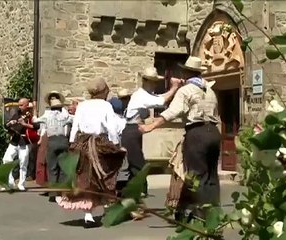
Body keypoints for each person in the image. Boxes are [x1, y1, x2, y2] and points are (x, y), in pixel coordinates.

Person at [138, 56, 221, 220]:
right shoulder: (210, 90)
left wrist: (151, 126)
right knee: (211, 174)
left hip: (196, 133)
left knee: (195, 174)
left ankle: (199, 213)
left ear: (186, 72)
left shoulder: (186, 90)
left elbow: (172, 111)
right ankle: (212, 211)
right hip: (213, 132)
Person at [56, 77, 126, 228]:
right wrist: (116, 145)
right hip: (99, 144)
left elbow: (75, 126)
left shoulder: (82, 106)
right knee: (105, 176)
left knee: (85, 179)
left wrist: (72, 144)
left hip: (82, 144)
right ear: (103, 91)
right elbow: (112, 128)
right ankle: (107, 209)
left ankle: (88, 215)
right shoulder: (106, 106)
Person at [122, 67, 182, 196]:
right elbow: (162, 101)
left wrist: (175, 88)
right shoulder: (140, 95)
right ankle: (138, 190)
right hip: (131, 130)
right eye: (153, 82)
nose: (155, 84)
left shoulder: (145, 95)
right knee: (138, 164)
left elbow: (160, 97)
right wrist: (174, 87)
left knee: (136, 163)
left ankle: (133, 190)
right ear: (146, 81)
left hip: (134, 131)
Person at [33, 91, 73, 202]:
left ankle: (54, 194)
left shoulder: (47, 115)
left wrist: (34, 113)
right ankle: (63, 193)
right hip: (63, 141)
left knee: (52, 168)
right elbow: (74, 119)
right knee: (63, 168)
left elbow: (35, 121)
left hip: (52, 141)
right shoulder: (65, 116)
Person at [2, 98, 41, 191]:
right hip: (15, 140)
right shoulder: (16, 113)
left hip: (24, 141)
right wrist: (9, 124)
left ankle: (21, 184)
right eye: (18, 105)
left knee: (23, 163)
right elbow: (7, 125)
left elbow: (36, 127)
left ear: (26, 105)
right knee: (6, 160)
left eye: (21, 105)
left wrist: (24, 124)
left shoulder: (31, 115)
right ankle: (10, 182)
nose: (19, 107)